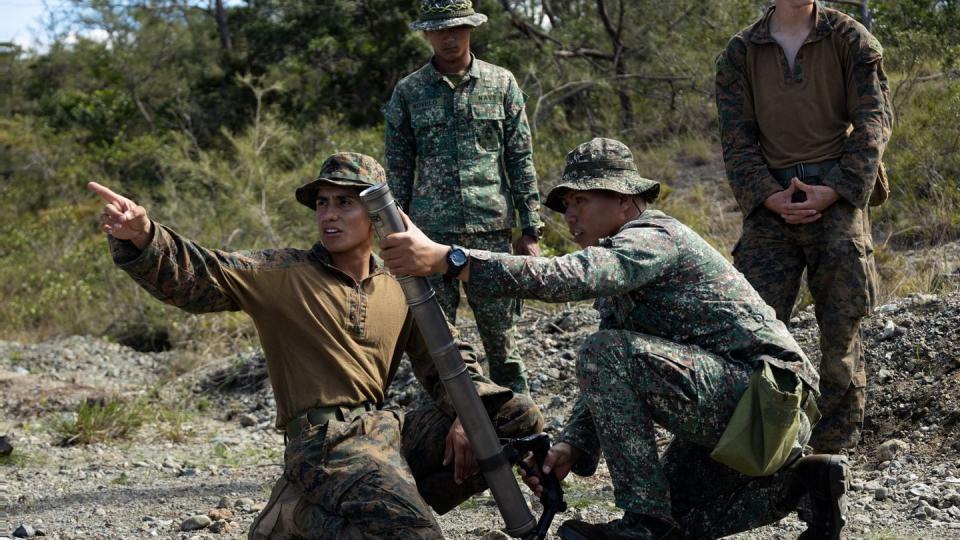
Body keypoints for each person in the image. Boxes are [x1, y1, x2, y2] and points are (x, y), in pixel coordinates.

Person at [379, 138, 851, 540]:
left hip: (767, 399)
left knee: (605, 359)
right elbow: (616, 369)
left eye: (581, 201)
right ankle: (805, 485)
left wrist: (451, 260)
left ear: (624, 200)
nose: (570, 215)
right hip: (751, 409)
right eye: (565, 206)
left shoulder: (652, 236)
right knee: (679, 518)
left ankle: (641, 520)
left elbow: (571, 285)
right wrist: (572, 446)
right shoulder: (625, 272)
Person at [88, 152, 542, 539]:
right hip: (323, 441)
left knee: (513, 416)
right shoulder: (283, 272)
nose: (329, 214)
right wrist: (145, 236)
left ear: (378, 215)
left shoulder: (403, 286)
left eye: (345, 203)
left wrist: (470, 414)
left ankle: (334, 508)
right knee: (413, 533)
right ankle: (310, 512)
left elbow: (451, 363)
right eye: (322, 203)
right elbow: (202, 273)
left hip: (386, 435)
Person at [715, 0, 892, 453]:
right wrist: (766, 195)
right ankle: (763, 438)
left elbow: (875, 121)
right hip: (772, 204)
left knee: (842, 325)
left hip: (836, 195)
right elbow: (736, 137)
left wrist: (836, 188)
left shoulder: (851, 39)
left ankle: (834, 450)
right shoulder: (740, 51)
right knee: (752, 325)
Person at [383, 0, 543, 394]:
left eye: (455, 28)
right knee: (439, 346)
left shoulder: (501, 83)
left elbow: (520, 158)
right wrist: (394, 236)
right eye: (438, 30)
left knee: (503, 346)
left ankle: (523, 432)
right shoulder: (409, 92)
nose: (448, 37)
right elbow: (398, 169)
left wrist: (531, 229)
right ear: (426, 33)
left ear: (471, 28)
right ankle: (444, 432)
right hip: (429, 237)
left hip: (491, 231)